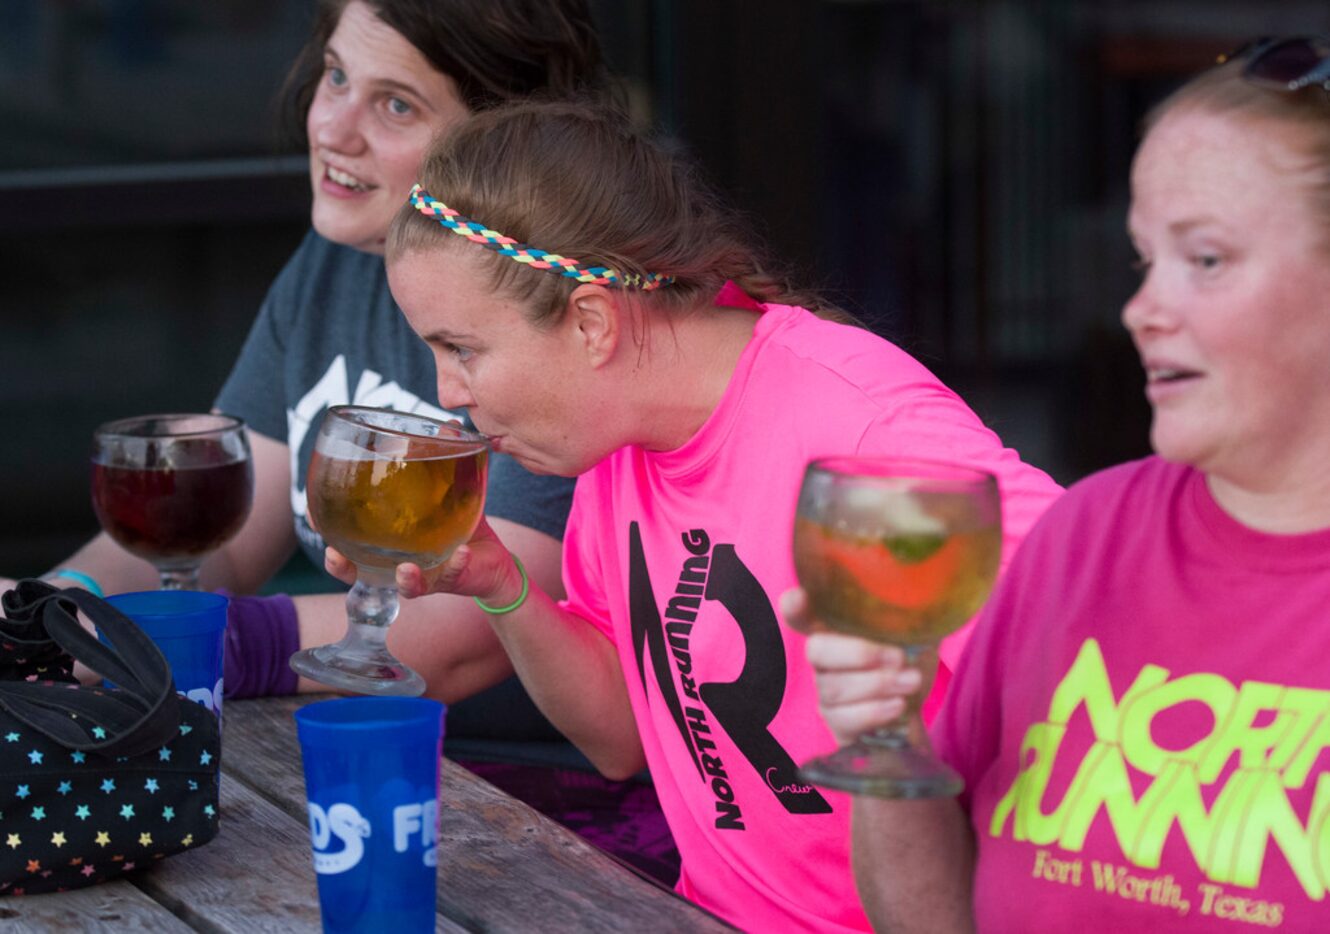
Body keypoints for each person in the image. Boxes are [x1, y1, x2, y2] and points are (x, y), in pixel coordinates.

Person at [330, 98, 1063, 930]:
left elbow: (1110, 640)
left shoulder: (868, 435)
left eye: (462, 349)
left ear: (592, 321)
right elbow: (620, 739)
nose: (447, 395)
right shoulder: (617, 450)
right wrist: (501, 584)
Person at [798, 35, 1330, 932]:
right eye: (1142, 260)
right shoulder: (1088, 533)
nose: (1141, 309)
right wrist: (882, 738)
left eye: (1204, 259)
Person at [11, 0, 604, 718]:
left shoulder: (554, 308)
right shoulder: (337, 261)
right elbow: (219, 544)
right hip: (338, 742)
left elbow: (460, 637)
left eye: (395, 105)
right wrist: (38, 614)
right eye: (334, 75)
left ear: (504, 141)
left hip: (518, 788)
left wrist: (138, 641)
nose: (329, 127)